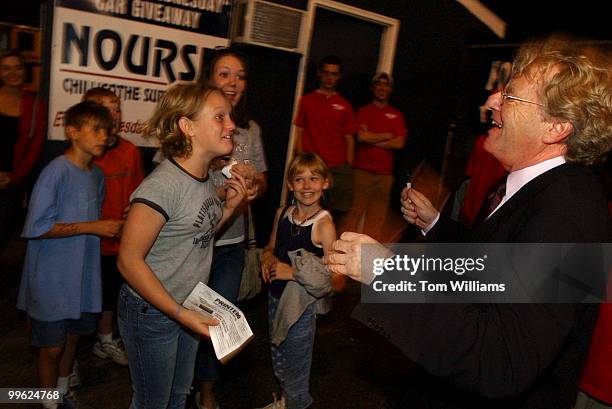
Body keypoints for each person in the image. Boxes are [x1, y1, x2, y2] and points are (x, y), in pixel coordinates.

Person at [325, 37, 611, 408]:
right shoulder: (534, 187)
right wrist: (439, 225)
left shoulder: (571, 215)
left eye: (510, 96)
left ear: (555, 127)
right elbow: (495, 271)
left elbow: (501, 361)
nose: (492, 101)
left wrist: (388, 273)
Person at [117, 82, 248, 409]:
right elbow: (128, 261)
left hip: (187, 306)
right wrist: (179, 313)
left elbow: (198, 237)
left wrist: (230, 209)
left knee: (177, 397)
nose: (230, 125)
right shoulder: (162, 186)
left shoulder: (206, 178)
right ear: (187, 127)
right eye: (220, 117)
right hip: (152, 312)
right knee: (152, 402)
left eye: (229, 117)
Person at [16, 101, 123, 409]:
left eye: (107, 130)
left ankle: (62, 391)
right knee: (51, 347)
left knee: (74, 337)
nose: (104, 136)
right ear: (73, 131)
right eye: (96, 129)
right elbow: (36, 227)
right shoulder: (55, 172)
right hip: (51, 274)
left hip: (83, 274)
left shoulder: (97, 175)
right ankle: (48, 400)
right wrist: (95, 226)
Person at [194, 48, 267, 409]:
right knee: (181, 319)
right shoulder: (190, 119)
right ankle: (176, 386)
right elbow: (171, 174)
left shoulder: (249, 130)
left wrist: (254, 185)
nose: (233, 82)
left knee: (218, 322)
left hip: (231, 244)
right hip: (192, 244)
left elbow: (264, 180)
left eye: (239, 76)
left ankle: (206, 393)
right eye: (224, 74)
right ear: (209, 79)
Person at [259, 152, 338, 409]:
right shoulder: (283, 213)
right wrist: (267, 259)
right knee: (278, 355)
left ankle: (297, 403)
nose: (307, 186)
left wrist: (290, 272)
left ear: (325, 183)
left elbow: (334, 276)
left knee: (296, 365)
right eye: (300, 179)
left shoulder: (324, 225)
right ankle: (285, 401)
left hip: (300, 307)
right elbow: (270, 247)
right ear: (290, 185)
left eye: (314, 179)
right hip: (274, 297)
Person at [82, 88, 144, 366]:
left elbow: (139, 190)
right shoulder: (86, 153)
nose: (112, 114)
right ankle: (68, 363)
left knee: (111, 292)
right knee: (82, 298)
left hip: (120, 241)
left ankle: (104, 340)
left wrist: (136, 206)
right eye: (103, 108)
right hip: (87, 241)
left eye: (116, 108)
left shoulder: (130, 150)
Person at [344, 72, 406, 240]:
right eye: (378, 84)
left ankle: (367, 261)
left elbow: (399, 143)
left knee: (376, 219)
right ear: (372, 88)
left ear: (391, 89)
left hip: (384, 176)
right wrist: (387, 135)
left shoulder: (397, 115)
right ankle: (340, 255)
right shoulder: (363, 111)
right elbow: (361, 136)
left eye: (386, 85)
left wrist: (373, 138)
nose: (382, 88)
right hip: (361, 172)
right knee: (353, 215)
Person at [294, 55, 356, 223]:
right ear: (319, 74)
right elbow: (298, 131)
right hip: (313, 165)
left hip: (338, 166)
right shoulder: (306, 100)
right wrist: (302, 159)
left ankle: (332, 247)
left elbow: (349, 139)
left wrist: (348, 166)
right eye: (326, 73)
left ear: (339, 77)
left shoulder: (344, 105)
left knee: (337, 213)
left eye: (334, 74)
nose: (330, 77)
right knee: (308, 209)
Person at [0, 49, 46, 254]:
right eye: (6, 68)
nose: (13, 73)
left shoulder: (35, 104)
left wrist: (15, 177)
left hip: (12, 183)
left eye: (18, 67)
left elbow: (36, 145)